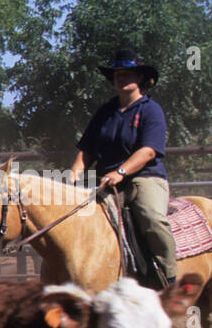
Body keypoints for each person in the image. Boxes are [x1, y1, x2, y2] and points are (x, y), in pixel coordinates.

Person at [69, 48, 174, 289]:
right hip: (106, 181)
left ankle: (169, 277)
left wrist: (121, 172)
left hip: (144, 178)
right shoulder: (106, 112)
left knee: (151, 218)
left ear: (140, 79)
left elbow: (148, 151)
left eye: (127, 74)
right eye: (117, 74)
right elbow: (87, 150)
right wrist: (73, 175)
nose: (121, 78)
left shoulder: (150, 109)